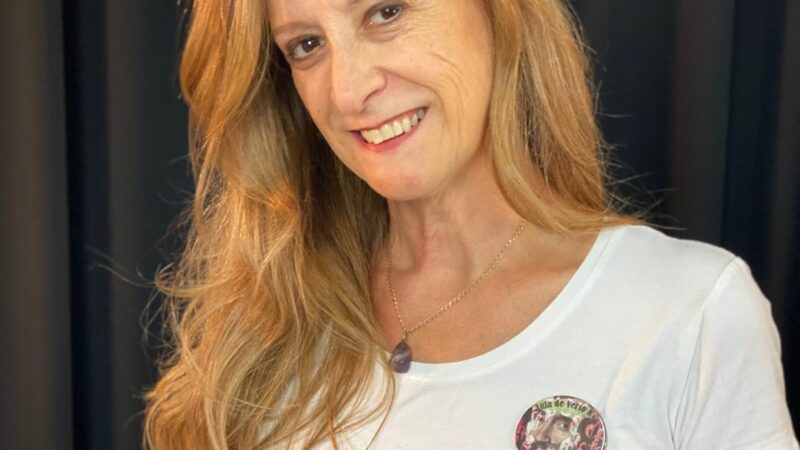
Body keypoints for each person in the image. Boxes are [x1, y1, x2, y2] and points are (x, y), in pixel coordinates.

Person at [144, 0, 799, 448]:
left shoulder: (688, 313)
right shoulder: (274, 331)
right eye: (307, 45)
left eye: (386, 11)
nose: (347, 91)